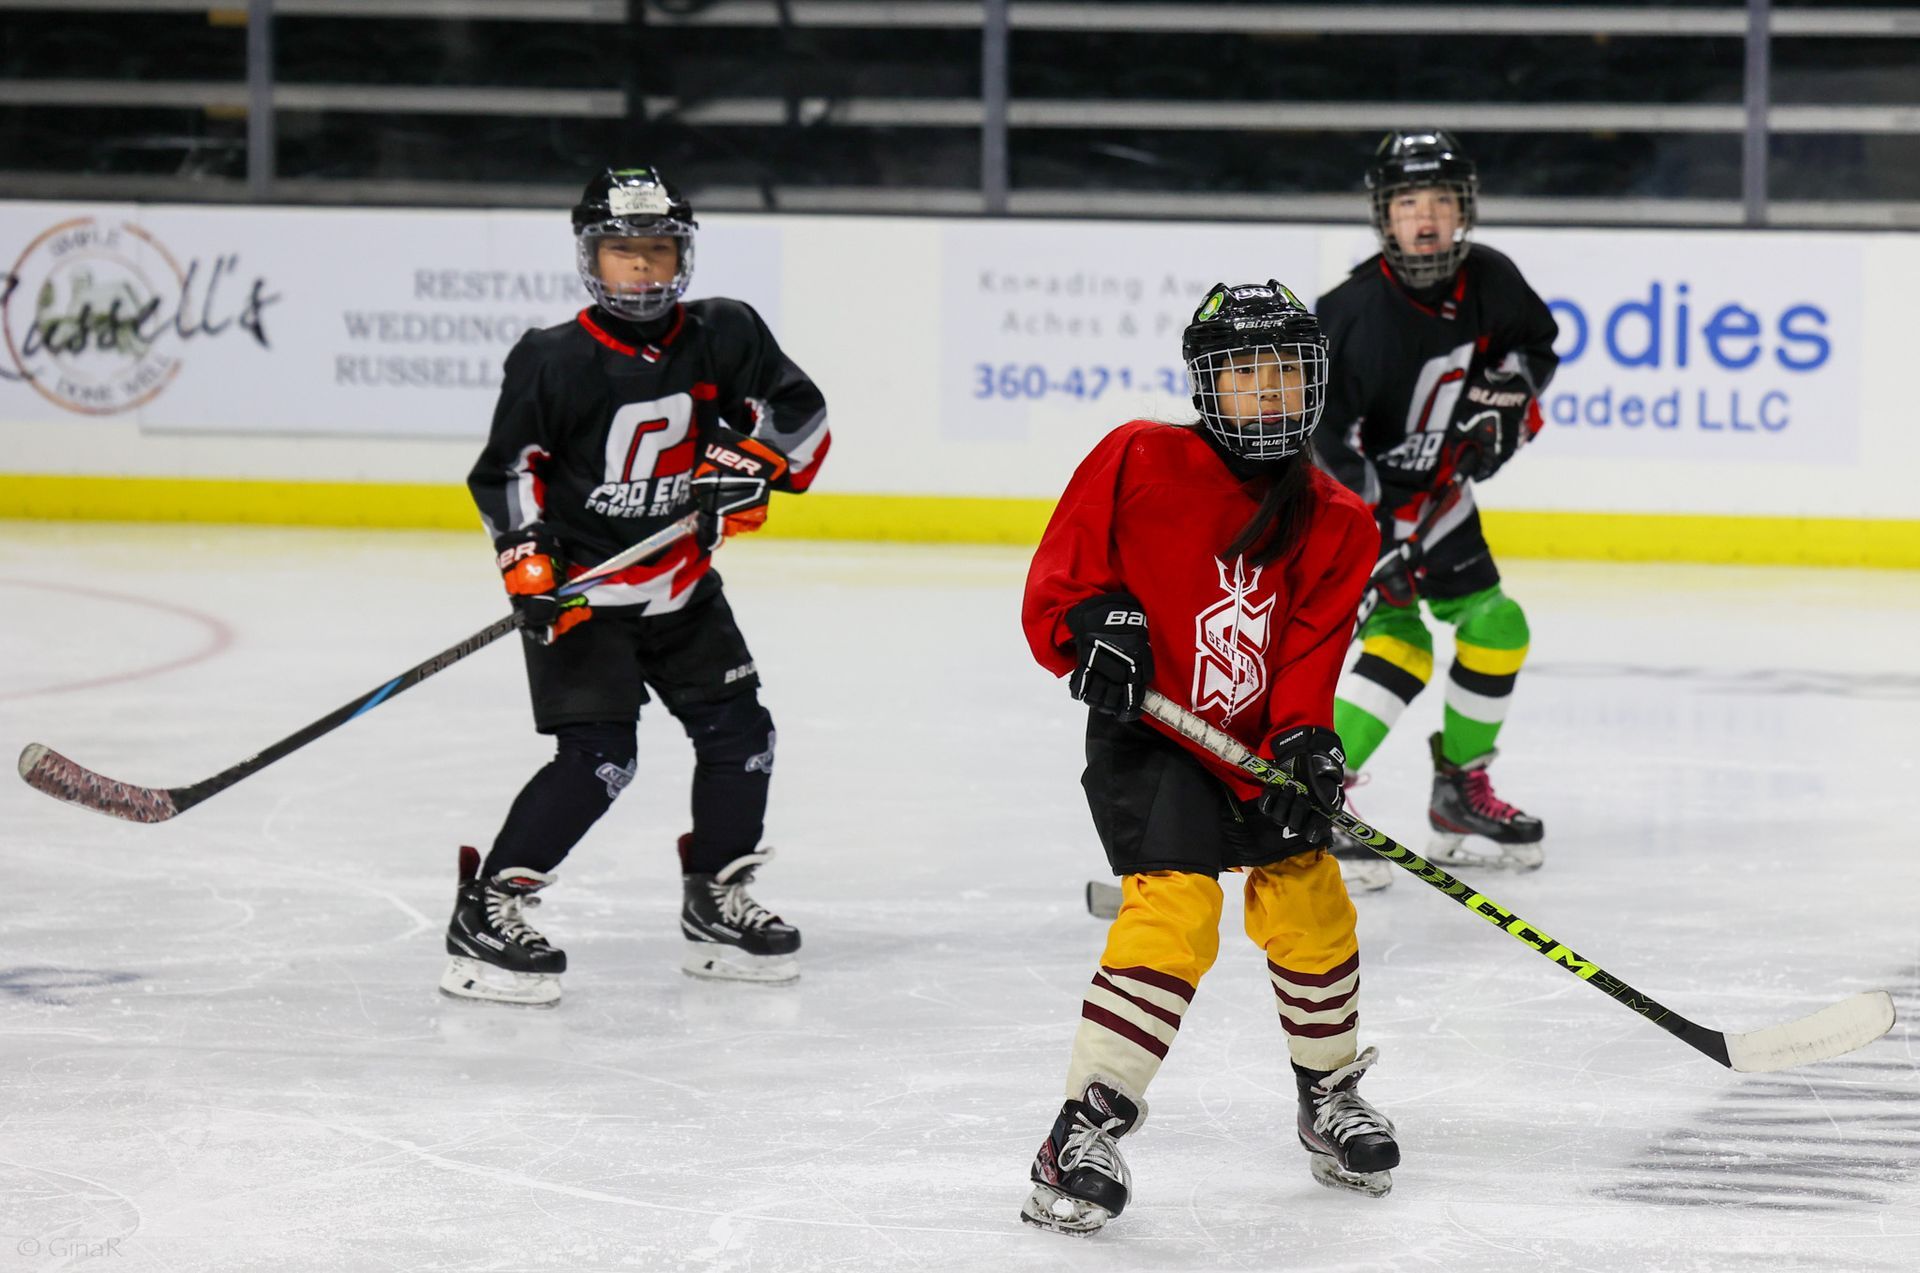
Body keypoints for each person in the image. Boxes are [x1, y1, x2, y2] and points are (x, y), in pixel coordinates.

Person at [1018, 282, 1395, 1235]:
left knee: (1311, 901)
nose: (1267, 394)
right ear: (1207, 385)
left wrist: (1309, 742)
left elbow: (1309, 659)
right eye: (1245, 375)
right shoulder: (1138, 456)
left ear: (1313, 383)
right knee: (1176, 908)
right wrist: (1094, 624)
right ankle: (1083, 1128)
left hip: (1254, 748)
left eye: (1284, 374)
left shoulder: (1341, 519)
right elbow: (1059, 588)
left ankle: (1327, 1095)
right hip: (1152, 738)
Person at [441, 165, 830, 1005]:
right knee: (601, 760)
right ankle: (489, 905)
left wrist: (754, 462)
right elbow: (506, 473)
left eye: (657, 250)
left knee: (743, 736)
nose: (643, 269)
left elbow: (801, 412)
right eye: (624, 254)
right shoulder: (552, 358)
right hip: (588, 596)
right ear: (593, 259)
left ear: (682, 254)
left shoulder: (725, 333)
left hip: (683, 586)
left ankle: (715, 900)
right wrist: (531, 567)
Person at [1312, 130, 1559, 893]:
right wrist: (1373, 535)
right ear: (1384, 216)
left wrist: (1504, 408)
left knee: (1498, 625)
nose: (1425, 220)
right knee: (1402, 642)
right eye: (1408, 203)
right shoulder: (1348, 312)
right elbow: (1322, 439)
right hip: (1353, 506)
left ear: (1465, 211)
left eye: (1441, 203)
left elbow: (1533, 351)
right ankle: (1315, 806)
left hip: (1440, 495)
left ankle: (1458, 795)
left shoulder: (1493, 279)